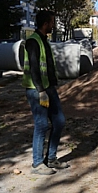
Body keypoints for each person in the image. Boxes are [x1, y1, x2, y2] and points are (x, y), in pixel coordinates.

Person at [23, 10, 69, 175]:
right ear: (45, 24)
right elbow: (34, 68)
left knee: (59, 121)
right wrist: (41, 91)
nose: (53, 25)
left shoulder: (44, 41)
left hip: (48, 87)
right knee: (41, 124)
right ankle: (37, 163)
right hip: (38, 90)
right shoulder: (33, 42)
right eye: (52, 22)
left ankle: (51, 159)